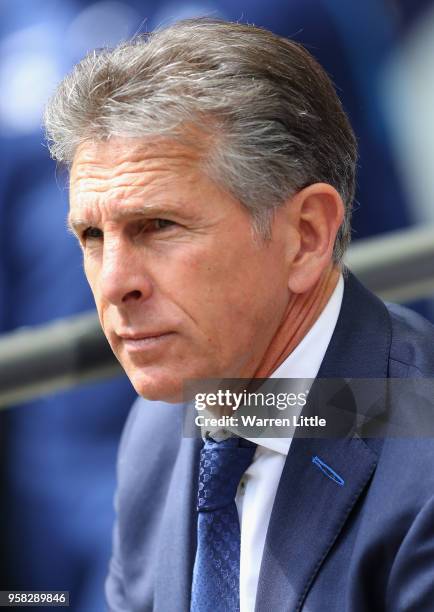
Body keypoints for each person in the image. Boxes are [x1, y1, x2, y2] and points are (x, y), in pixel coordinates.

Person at [44, 18, 434, 612]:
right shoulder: (157, 435)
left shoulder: (423, 462)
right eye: (93, 237)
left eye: (158, 226)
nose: (115, 284)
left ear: (305, 236)